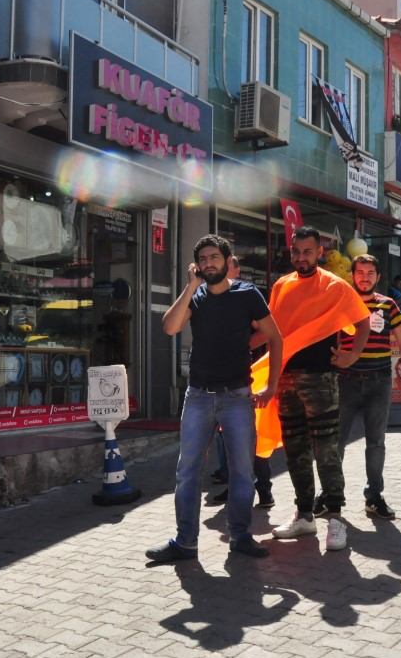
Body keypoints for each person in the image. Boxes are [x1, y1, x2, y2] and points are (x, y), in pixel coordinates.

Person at [146, 236, 282, 563]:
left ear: (227, 260)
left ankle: (240, 536)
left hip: (237, 397)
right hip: (198, 396)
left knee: (242, 471)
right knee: (187, 471)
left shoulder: (247, 294)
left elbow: (275, 338)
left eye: (214, 257)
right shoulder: (196, 296)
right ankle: (185, 542)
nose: (209, 263)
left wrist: (272, 385)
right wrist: (190, 287)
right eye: (203, 259)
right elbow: (170, 327)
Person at [259, 227, 370, 552]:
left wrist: (352, 355)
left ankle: (335, 518)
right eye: (296, 252)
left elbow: (362, 320)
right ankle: (305, 515)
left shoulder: (334, 286)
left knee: (326, 451)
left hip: (322, 378)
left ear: (319, 252)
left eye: (307, 252)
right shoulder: (282, 285)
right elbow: (272, 331)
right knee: (295, 451)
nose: (301, 258)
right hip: (286, 378)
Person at [336, 254, 401, 521]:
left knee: (376, 443)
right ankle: (331, 495)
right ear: (352, 275)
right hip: (345, 381)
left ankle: (374, 497)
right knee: (335, 442)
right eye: (360, 272)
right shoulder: (342, 303)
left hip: (379, 381)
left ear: (378, 277)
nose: (365, 277)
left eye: (370, 273)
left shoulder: (388, 305)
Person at [210, 255, 275, 509]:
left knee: (252, 434)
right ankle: (235, 485)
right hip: (223, 376)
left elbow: (268, 333)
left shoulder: (247, 296)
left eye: (229, 267)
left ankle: (264, 490)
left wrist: (242, 346)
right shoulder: (215, 296)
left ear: (236, 271)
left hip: (251, 374)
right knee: (229, 435)